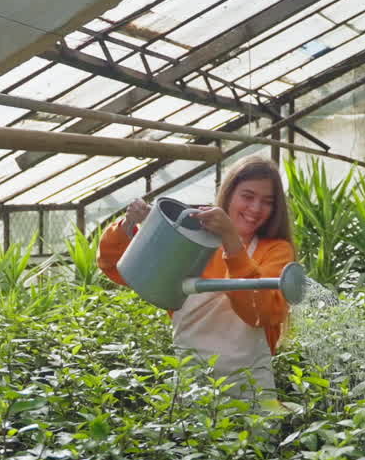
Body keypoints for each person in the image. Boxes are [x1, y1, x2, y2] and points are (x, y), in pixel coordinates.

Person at [97, 155, 297, 398]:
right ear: (229, 194)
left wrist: (231, 241)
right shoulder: (191, 243)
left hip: (251, 392)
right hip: (193, 391)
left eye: (267, 202)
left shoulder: (275, 250)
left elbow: (260, 313)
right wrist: (131, 226)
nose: (256, 209)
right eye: (247, 196)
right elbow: (116, 267)